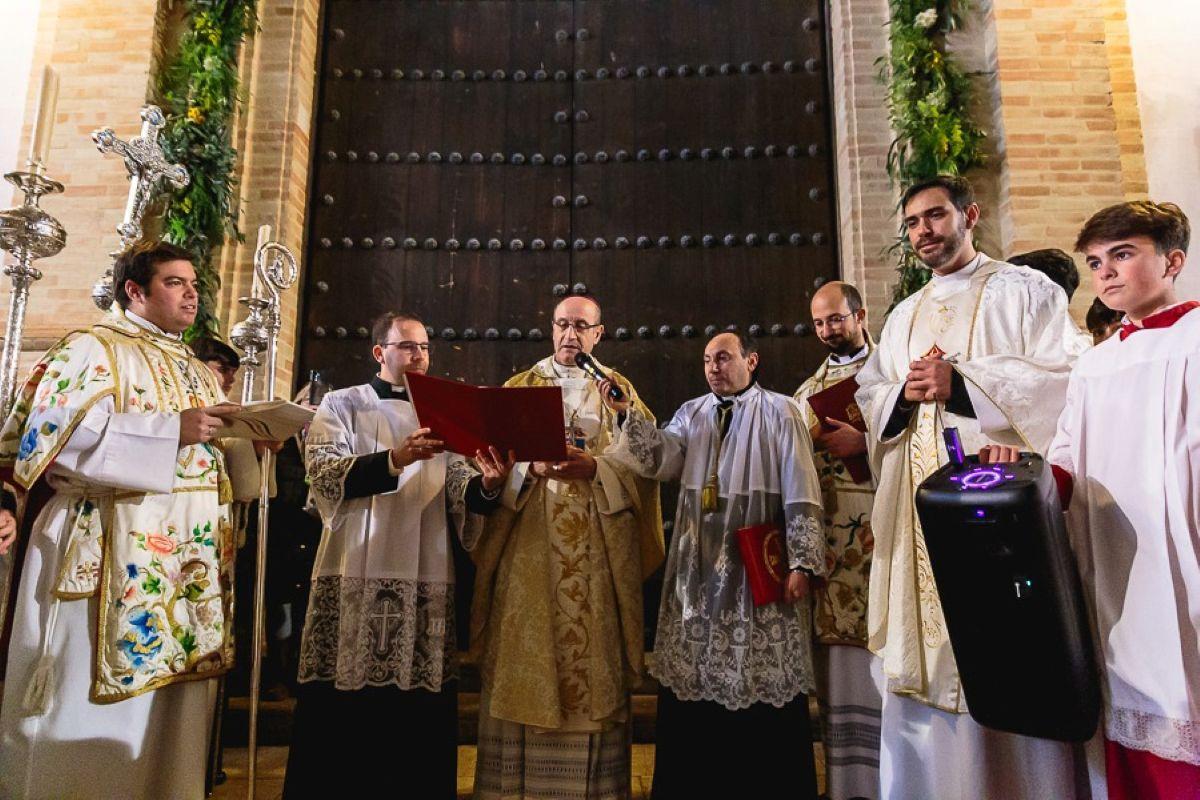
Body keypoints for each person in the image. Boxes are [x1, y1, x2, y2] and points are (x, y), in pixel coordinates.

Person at [855, 175, 1090, 799]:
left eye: (935, 217)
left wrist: (963, 384)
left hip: (997, 515)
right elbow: (872, 390)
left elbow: (1067, 374)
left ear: (970, 215)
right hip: (922, 514)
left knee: (1006, 647)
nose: (923, 232)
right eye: (912, 224)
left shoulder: (1025, 290)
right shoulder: (904, 313)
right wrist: (898, 395)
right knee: (928, 660)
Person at [0, 240, 239, 798]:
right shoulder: (92, 348)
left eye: (194, 283)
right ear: (135, 290)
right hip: (105, 548)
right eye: (175, 282)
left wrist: (254, 440)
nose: (191, 293)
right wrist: (167, 432)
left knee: (170, 719)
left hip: (185, 567)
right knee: (86, 708)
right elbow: (49, 442)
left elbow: (213, 466)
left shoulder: (194, 369)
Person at [987, 201, 1199, 799]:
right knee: (1131, 717)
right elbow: (1069, 468)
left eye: (1123, 255)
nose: (1105, 273)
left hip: (1186, 558)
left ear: (1173, 260)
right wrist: (1023, 476)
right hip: (1116, 575)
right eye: (1096, 261)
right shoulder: (1095, 365)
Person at [283, 311, 513, 798]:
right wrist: (395, 459)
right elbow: (324, 474)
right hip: (353, 563)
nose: (419, 356)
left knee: (417, 703)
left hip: (424, 563)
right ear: (379, 352)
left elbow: (456, 485)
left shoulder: (444, 411)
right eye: (408, 346)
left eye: (425, 347)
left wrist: (488, 487)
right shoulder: (342, 404)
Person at [608, 331, 827, 799]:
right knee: (696, 682)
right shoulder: (693, 413)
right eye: (707, 359)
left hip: (755, 570)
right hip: (699, 570)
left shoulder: (781, 411)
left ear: (751, 360)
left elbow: (801, 487)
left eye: (724, 358)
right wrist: (627, 413)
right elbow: (662, 458)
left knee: (756, 679)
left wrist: (802, 562)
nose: (713, 367)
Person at [468, 295, 663, 800]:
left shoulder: (617, 392)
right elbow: (486, 464)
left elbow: (646, 466)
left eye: (581, 326)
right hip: (530, 545)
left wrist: (596, 467)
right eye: (561, 324)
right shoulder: (519, 388)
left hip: (595, 549)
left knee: (590, 660)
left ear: (599, 334)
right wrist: (526, 469)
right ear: (550, 329)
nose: (569, 334)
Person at [793, 281, 882, 800]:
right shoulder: (807, 394)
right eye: (820, 323)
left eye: (836, 319)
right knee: (842, 673)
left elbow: (927, 442)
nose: (828, 330)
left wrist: (865, 443)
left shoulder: (892, 376)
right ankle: (849, 788)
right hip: (833, 547)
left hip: (886, 535)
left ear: (860, 315)